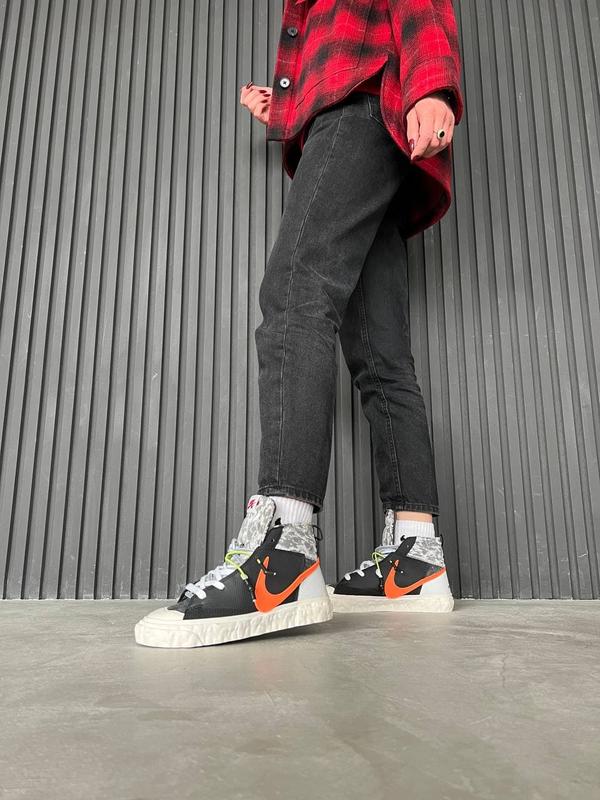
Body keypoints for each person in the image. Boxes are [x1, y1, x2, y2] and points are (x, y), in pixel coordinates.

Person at [135, 0, 464, 648]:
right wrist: (287, 110)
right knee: (380, 354)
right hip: (367, 119)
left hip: (363, 106)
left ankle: (284, 551)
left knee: (295, 294)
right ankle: (415, 556)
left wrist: (433, 85)